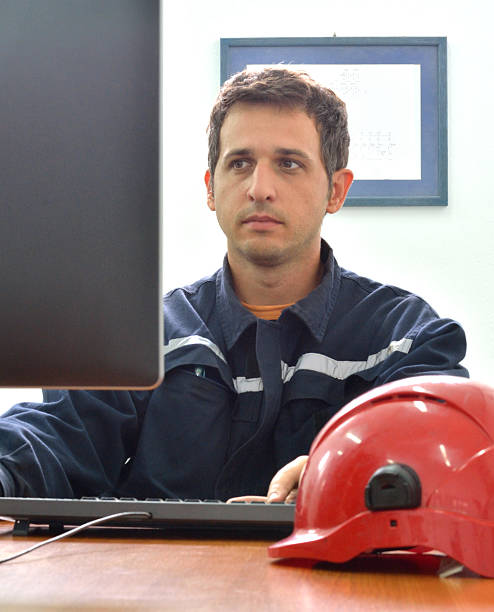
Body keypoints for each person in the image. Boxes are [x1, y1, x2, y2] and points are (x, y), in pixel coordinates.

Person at [0, 68, 467, 503]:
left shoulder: (404, 337)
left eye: (288, 164)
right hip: (162, 587)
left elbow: (443, 441)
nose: (259, 188)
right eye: (240, 163)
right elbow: (56, 436)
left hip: (340, 585)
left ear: (336, 191)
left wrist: (344, 465)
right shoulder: (142, 335)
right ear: (211, 187)